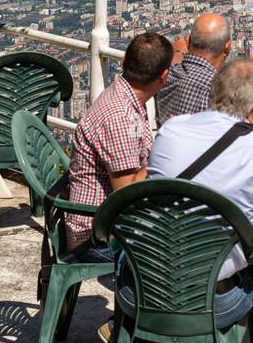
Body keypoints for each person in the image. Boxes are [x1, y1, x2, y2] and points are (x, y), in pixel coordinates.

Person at [136, 58, 253, 343]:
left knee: (189, 261)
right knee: (243, 270)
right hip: (213, 296)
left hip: (149, 281)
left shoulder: (172, 128)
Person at [63, 31, 173, 258]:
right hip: (97, 237)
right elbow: (126, 194)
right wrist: (165, 154)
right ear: (163, 76)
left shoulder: (123, 96)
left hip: (103, 222)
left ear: (124, 62)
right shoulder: (120, 118)